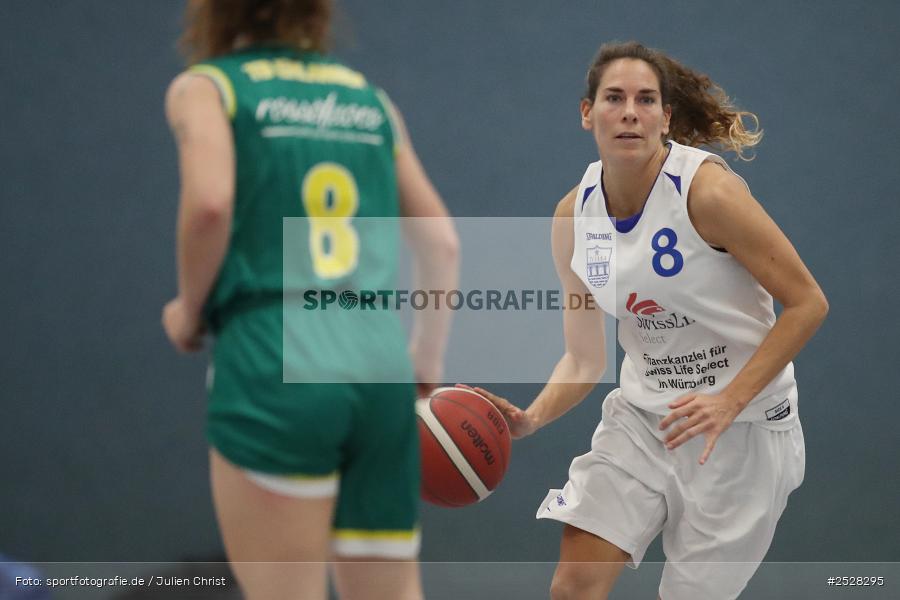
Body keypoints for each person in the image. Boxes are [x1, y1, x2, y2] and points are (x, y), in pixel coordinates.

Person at [466, 41, 828, 600]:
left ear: (666, 117)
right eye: (614, 98)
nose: (629, 111)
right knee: (573, 587)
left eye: (645, 99)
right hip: (642, 420)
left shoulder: (707, 193)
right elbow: (586, 357)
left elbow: (807, 303)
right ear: (588, 113)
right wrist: (531, 418)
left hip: (740, 432)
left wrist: (728, 400)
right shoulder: (575, 216)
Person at [161, 1, 458, 599]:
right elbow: (441, 242)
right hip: (377, 361)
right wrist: (425, 361)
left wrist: (189, 310)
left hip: (275, 348)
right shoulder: (370, 100)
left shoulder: (209, 87)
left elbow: (211, 203)